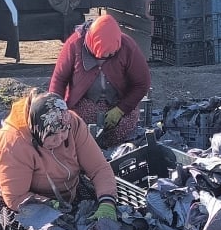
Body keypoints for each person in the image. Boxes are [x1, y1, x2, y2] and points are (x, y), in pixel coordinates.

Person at [0, 90, 118, 230]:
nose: (60, 139)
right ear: (37, 131)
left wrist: (107, 203)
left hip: (66, 189)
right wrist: (49, 204)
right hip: (17, 198)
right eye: (52, 135)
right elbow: (15, 197)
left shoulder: (73, 123)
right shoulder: (14, 142)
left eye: (64, 131)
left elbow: (99, 168)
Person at [48, 14, 151, 148]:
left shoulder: (128, 46)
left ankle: (108, 149)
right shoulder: (74, 44)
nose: (104, 59)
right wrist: (57, 111)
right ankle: (86, 147)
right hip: (84, 103)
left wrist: (121, 110)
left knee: (123, 127)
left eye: (110, 55)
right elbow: (59, 79)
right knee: (77, 127)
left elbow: (142, 83)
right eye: (100, 56)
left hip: (118, 103)